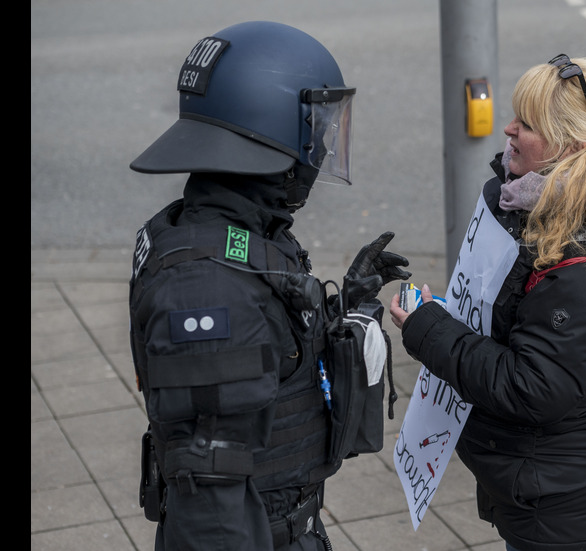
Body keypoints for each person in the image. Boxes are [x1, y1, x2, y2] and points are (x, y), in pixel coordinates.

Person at [390, 54, 586, 551]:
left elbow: (533, 386)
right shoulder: (545, 207)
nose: (508, 129)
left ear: (571, 146)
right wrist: (454, 312)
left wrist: (429, 330)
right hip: (556, 476)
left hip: (564, 498)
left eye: (527, 124)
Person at [128, 21, 410, 551]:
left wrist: (343, 312)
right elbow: (209, 497)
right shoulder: (207, 288)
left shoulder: (235, 229)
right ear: (267, 127)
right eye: (318, 127)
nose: (324, 145)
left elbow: (276, 374)